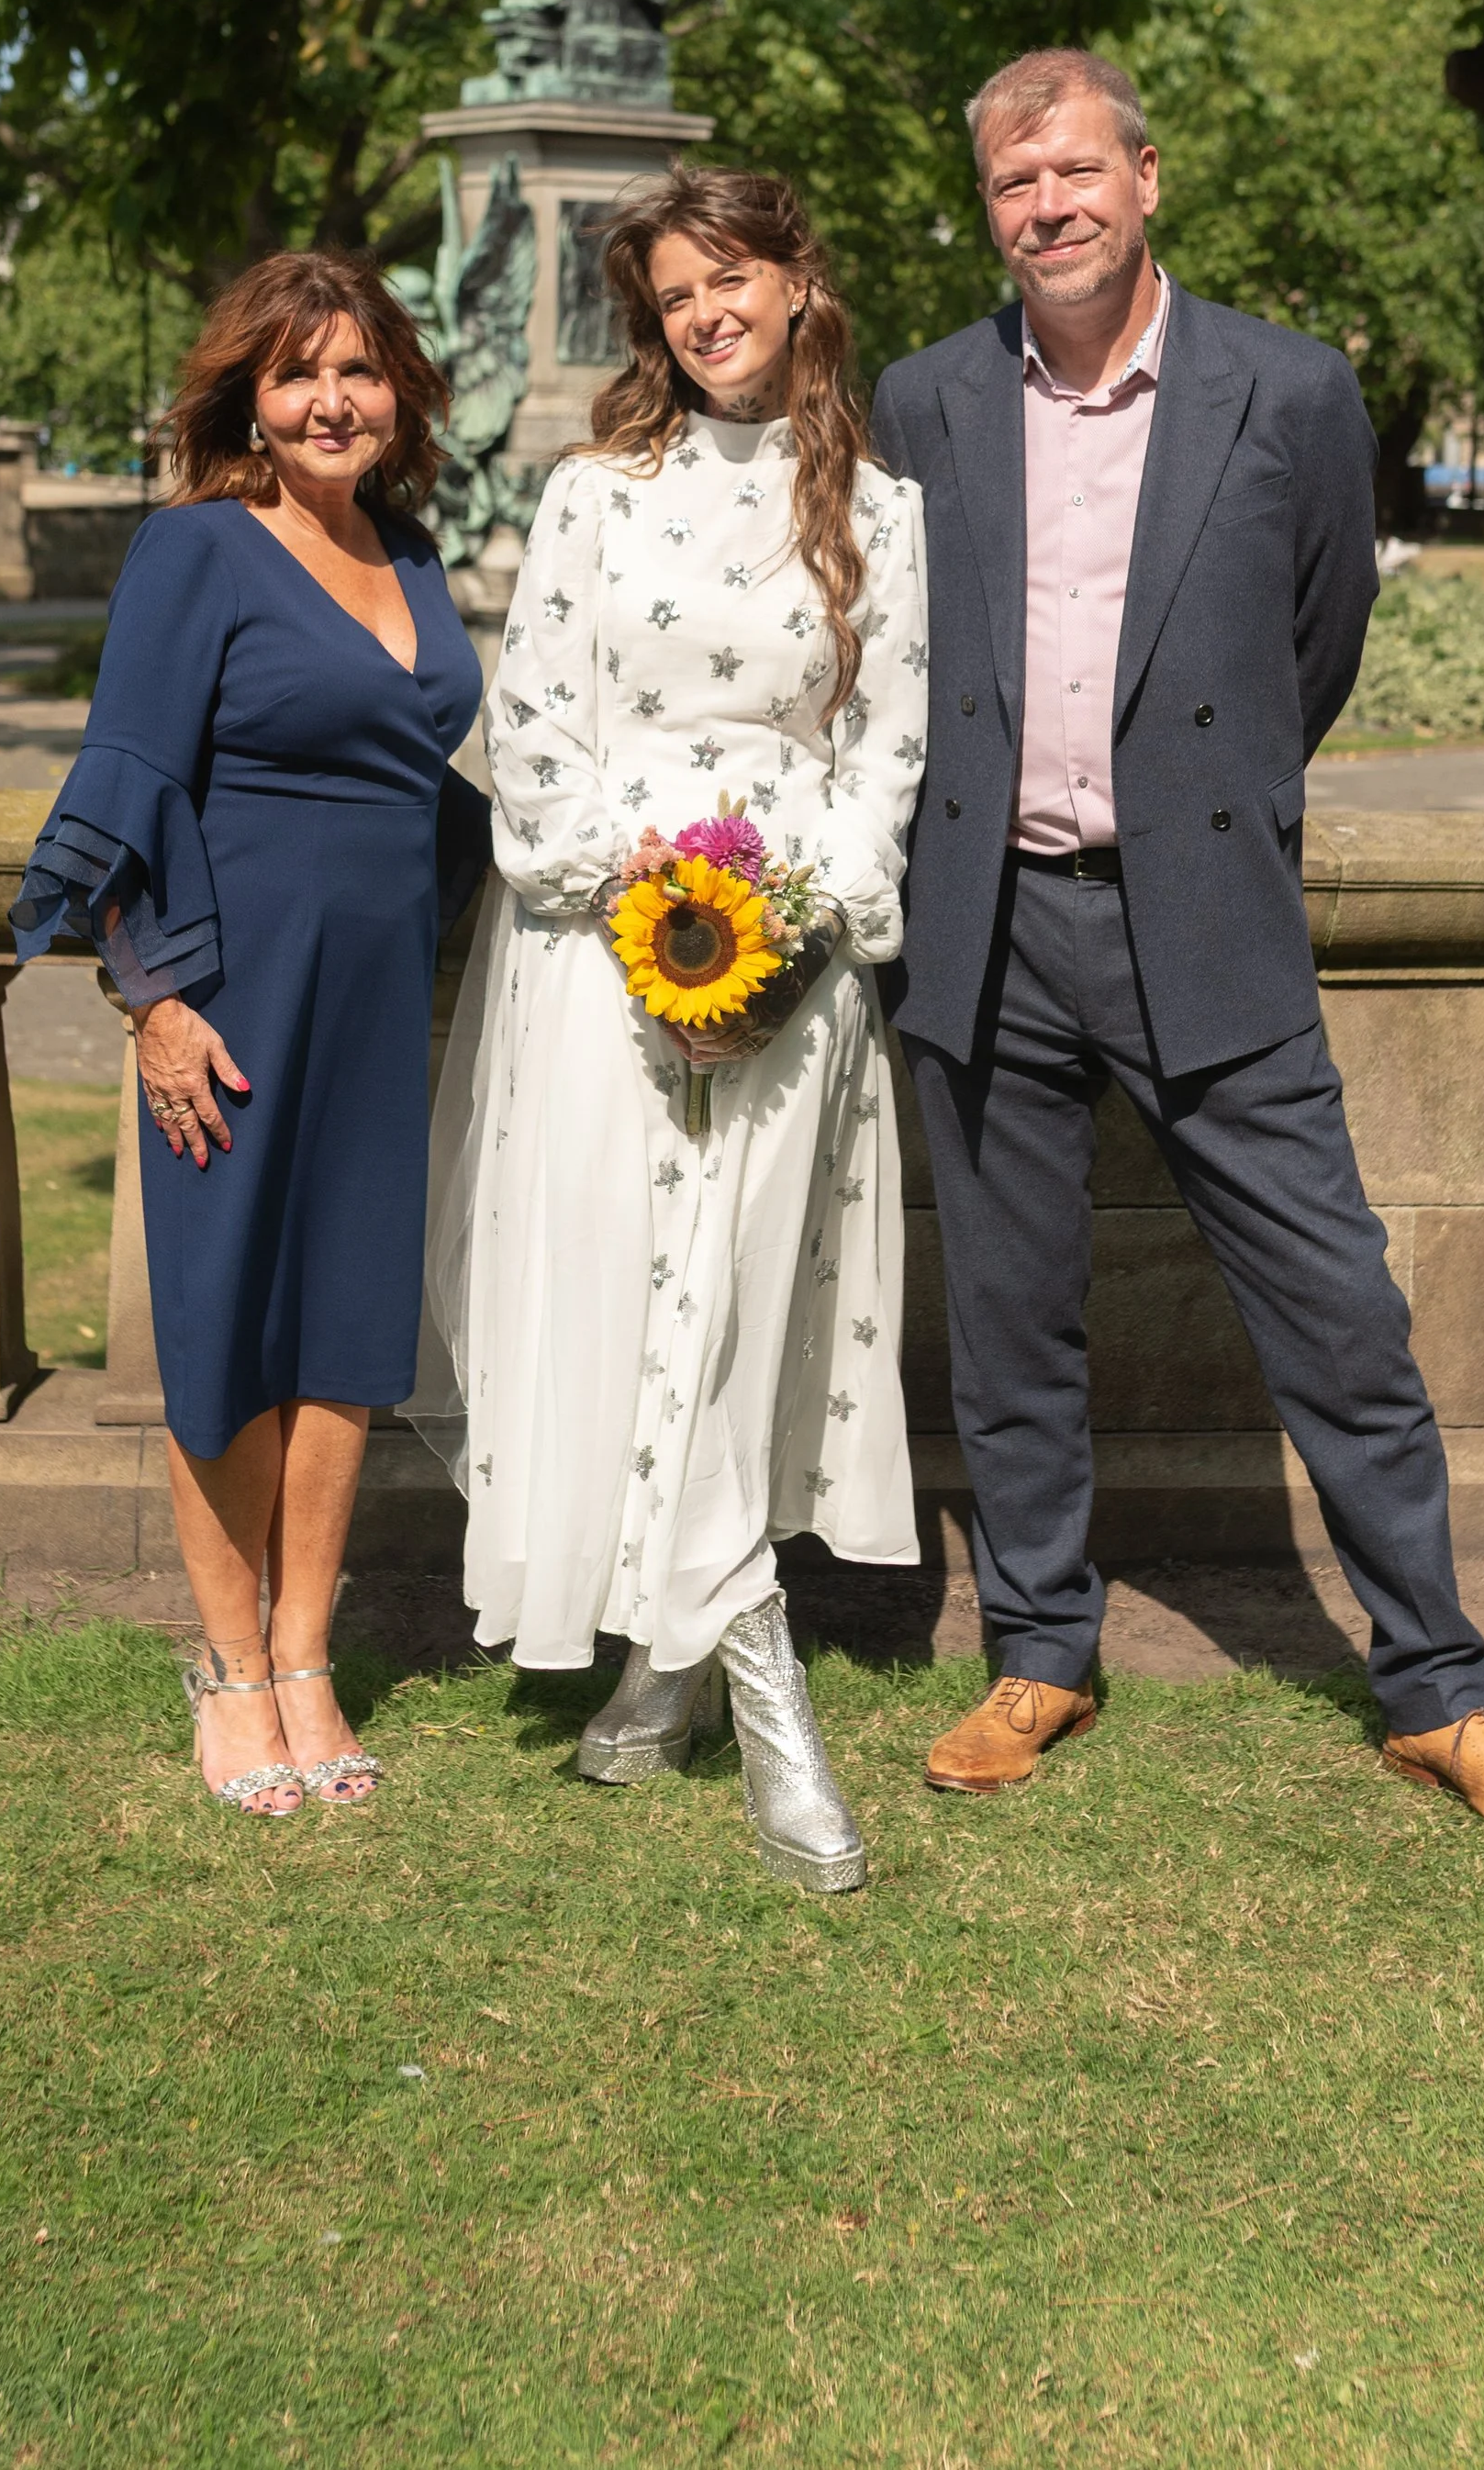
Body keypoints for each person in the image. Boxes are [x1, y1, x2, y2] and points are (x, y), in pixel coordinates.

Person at [872, 50, 1484, 1850]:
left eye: (1069, 171)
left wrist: (1197, 804)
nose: (1041, 207)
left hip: (1196, 918)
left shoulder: (1283, 390)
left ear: (1143, 180)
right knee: (1010, 1324)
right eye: (1006, 184)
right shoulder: (923, 400)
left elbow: (1314, 639)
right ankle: (1040, 1649)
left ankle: (1435, 1692)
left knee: (1339, 1318)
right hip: (981, 933)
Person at [414, 166, 927, 1894]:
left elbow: (885, 765)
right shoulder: (590, 494)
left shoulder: (887, 510)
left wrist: (790, 945)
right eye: (673, 299)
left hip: (792, 974)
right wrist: (639, 926)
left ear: (797, 282)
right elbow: (537, 729)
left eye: (733, 281)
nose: (707, 317)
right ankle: (733, 1676)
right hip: (598, 955)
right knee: (634, 1289)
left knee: (734, 1306)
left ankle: (698, 1667)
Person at [11, 252, 489, 1816]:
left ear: (399, 393)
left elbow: (426, 785)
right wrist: (152, 1000)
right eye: (298, 376)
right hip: (229, 995)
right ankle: (224, 1670)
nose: (332, 400)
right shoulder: (197, 552)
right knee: (227, 1329)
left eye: (358, 371)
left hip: (373, 997)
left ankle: (305, 1658)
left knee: (346, 1334)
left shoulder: (410, 557)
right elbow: (133, 775)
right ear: (250, 398)